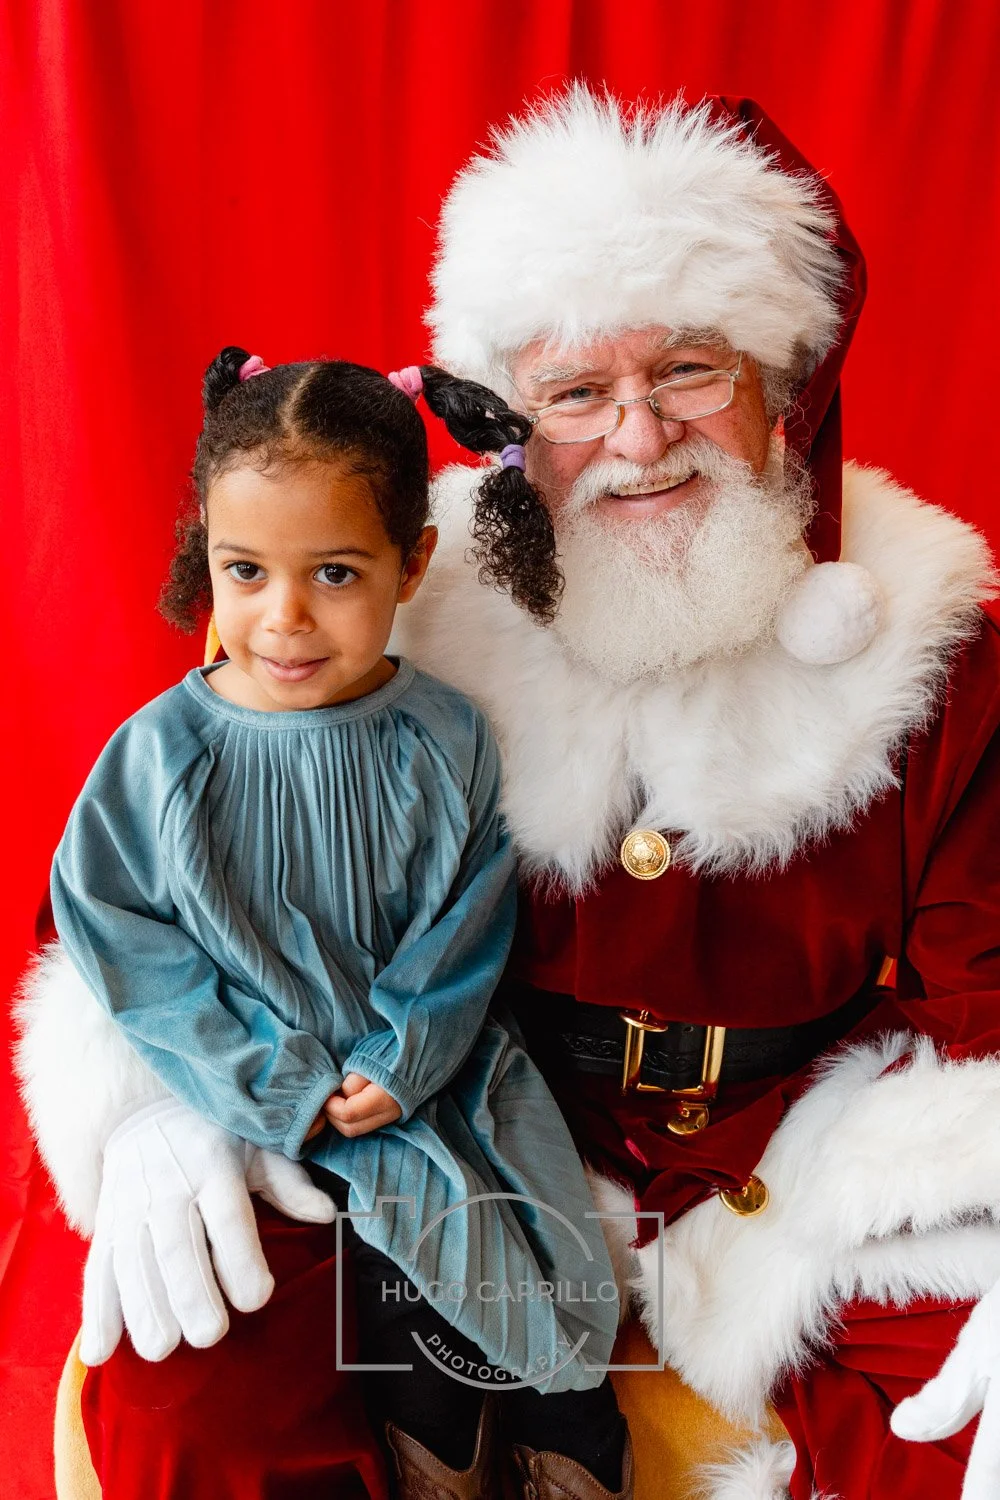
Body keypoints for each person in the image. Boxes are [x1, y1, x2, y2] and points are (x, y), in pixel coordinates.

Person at [15, 88, 1000, 1500]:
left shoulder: (937, 644)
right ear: (509, 417)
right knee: (181, 1418)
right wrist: (164, 1101)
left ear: (785, 384)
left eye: (689, 373)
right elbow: (182, 869)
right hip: (444, 1133)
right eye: (580, 392)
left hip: (797, 1175)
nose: (641, 438)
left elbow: (988, 994)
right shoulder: (410, 593)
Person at [41, 345, 628, 1499]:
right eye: (245, 570)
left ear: (412, 563)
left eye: (337, 575)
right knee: (383, 1362)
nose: (285, 618)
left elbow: (467, 919)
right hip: (267, 1115)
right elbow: (123, 942)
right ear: (203, 553)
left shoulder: (444, 736)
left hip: (440, 1083)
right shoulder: (160, 755)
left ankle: (550, 1445)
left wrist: (407, 1055)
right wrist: (274, 1079)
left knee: (544, 1318)